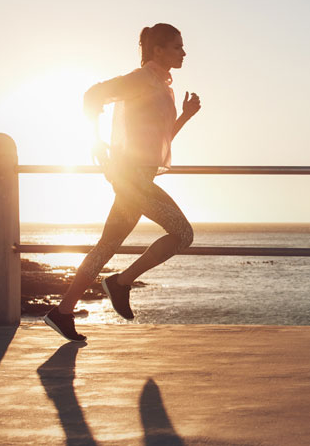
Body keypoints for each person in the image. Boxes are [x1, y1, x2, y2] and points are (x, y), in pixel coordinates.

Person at [44, 23, 202, 342]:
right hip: (132, 177)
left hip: (137, 176)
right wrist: (95, 141)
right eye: (177, 47)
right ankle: (121, 282)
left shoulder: (161, 86)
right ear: (157, 50)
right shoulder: (142, 79)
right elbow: (93, 95)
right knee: (183, 233)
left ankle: (62, 312)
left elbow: (160, 140)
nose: (184, 52)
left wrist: (185, 116)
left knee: (107, 245)